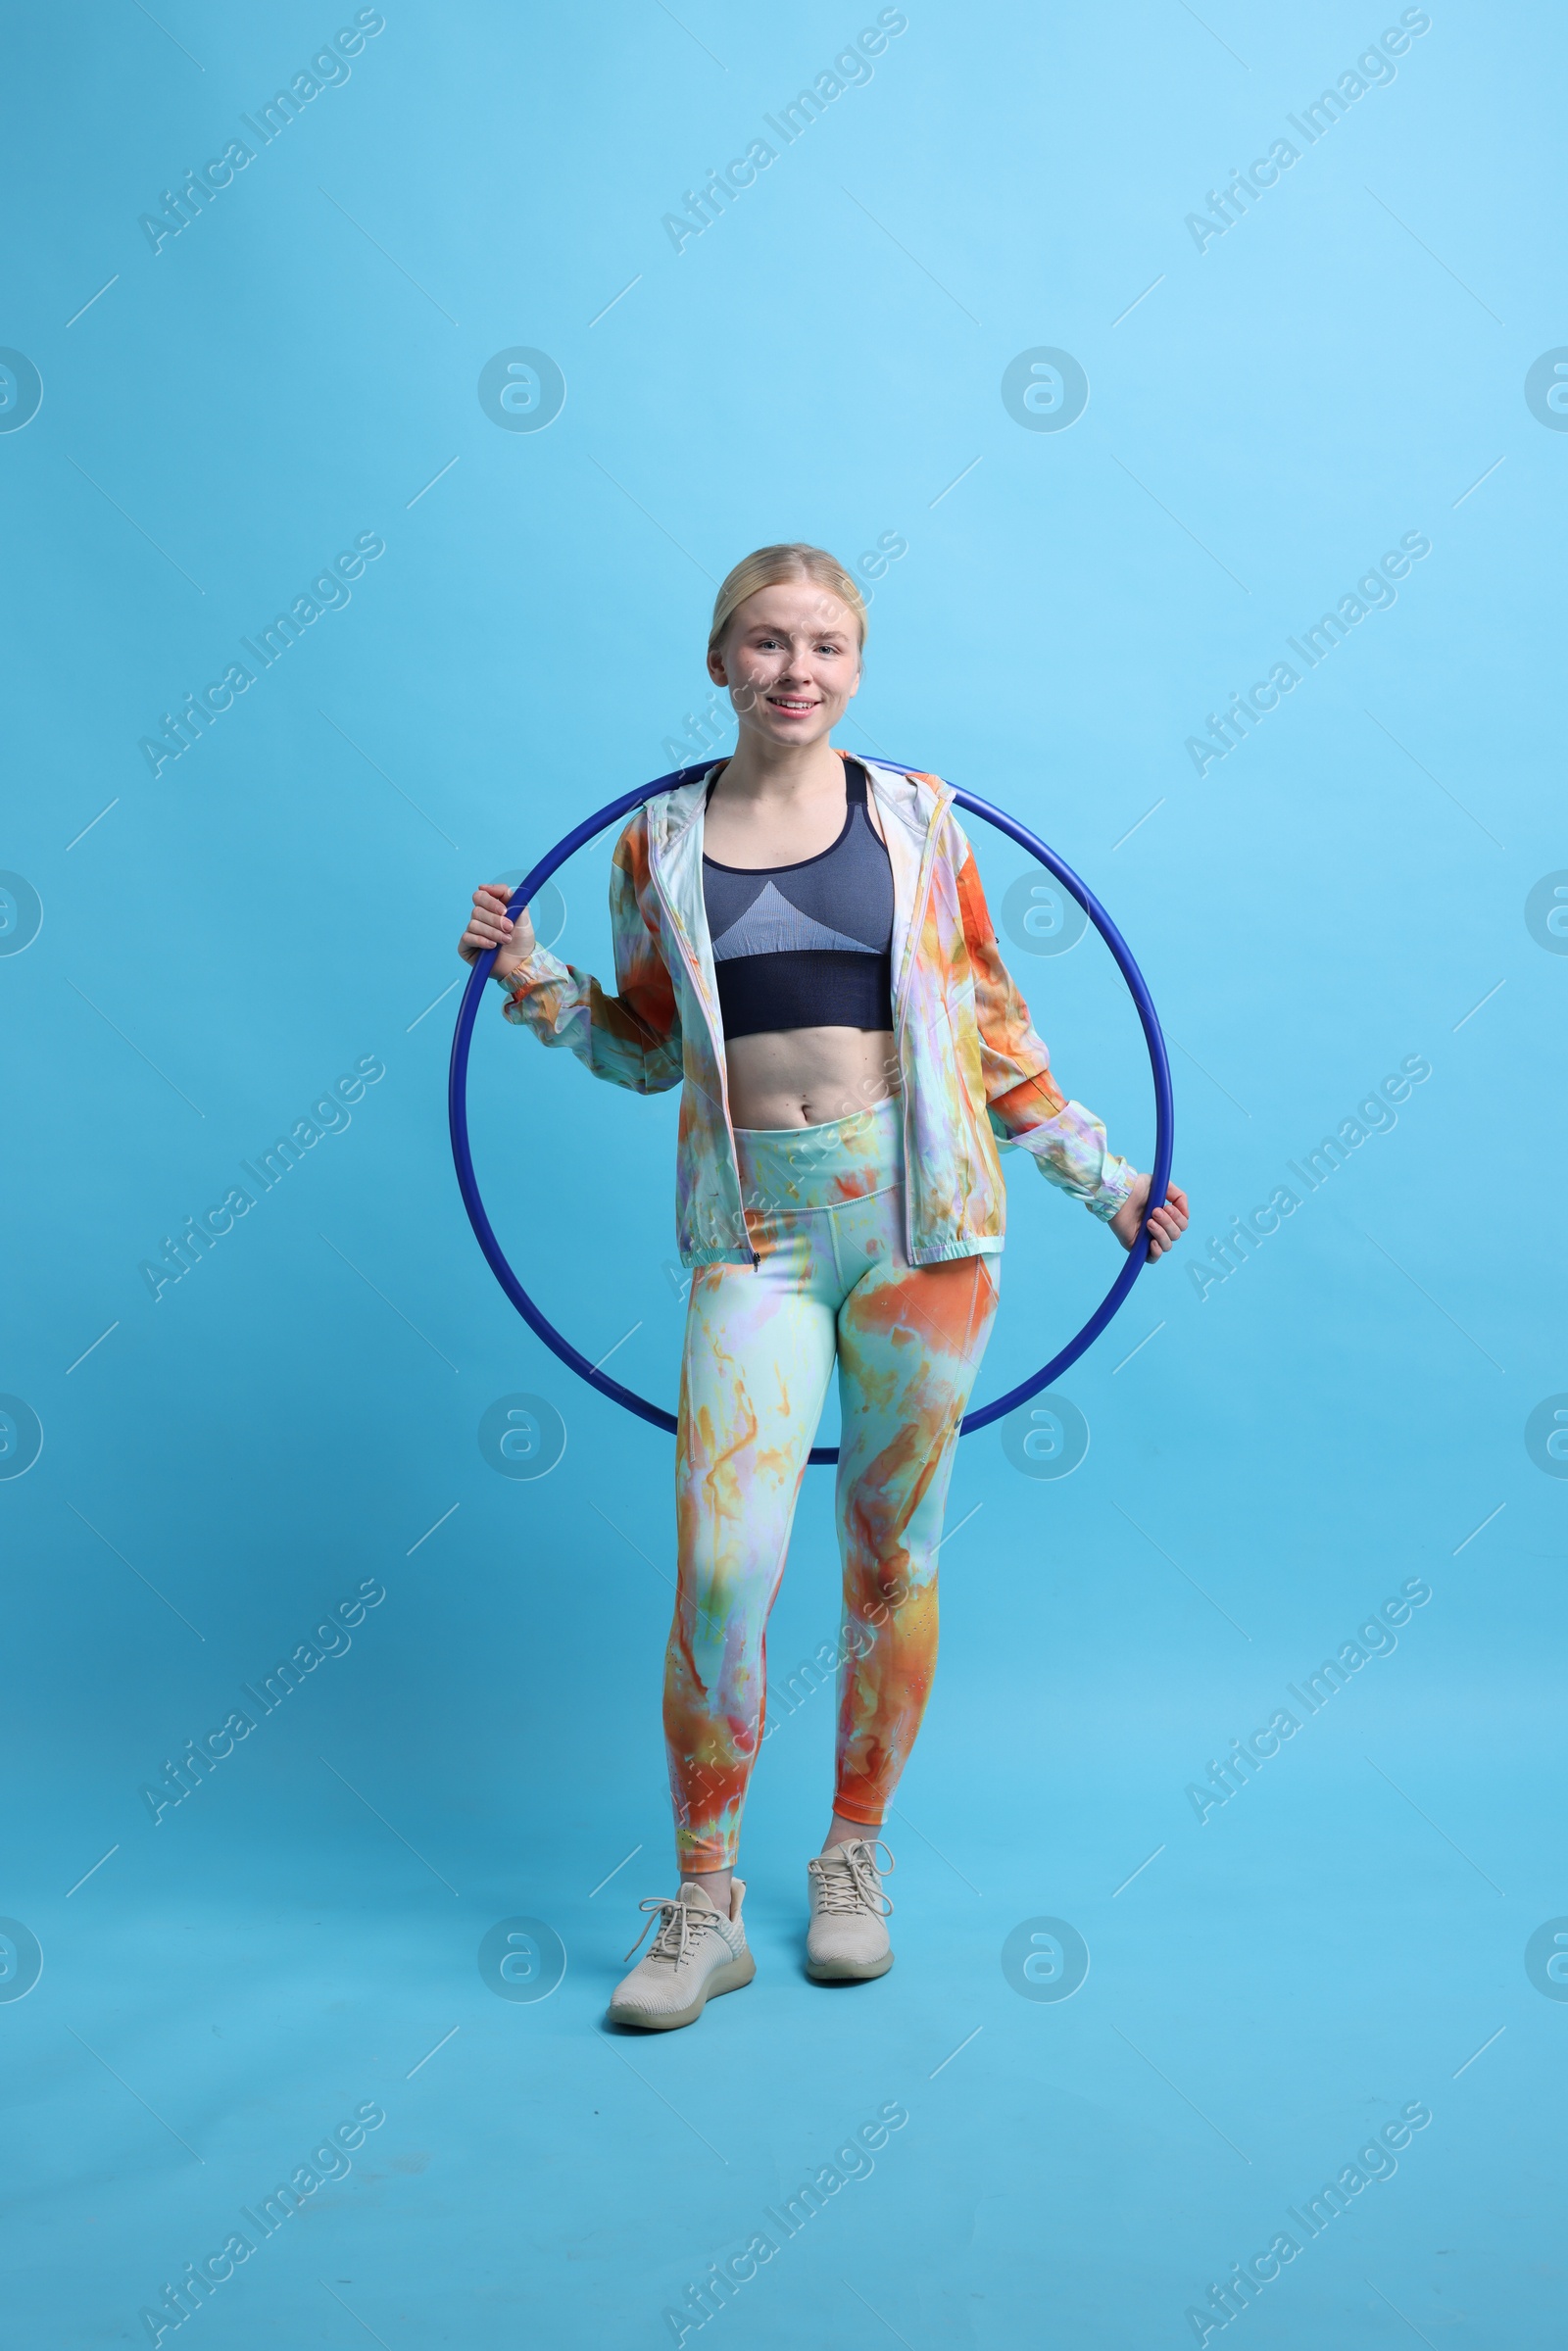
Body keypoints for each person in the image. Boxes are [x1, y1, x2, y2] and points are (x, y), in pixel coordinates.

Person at [459, 543, 1187, 2032]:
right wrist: (533, 978)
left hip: (924, 1233)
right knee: (725, 1565)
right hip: (759, 1242)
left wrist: (1107, 1185)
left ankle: (853, 1855)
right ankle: (707, 1901)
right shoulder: (651, 848)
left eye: (829, 646)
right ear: (718, 660)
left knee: (889, 1560)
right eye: (768, 642)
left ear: (860, 667)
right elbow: (647, 1046)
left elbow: (994, 1036)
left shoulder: (920, 823)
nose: (798, 670)